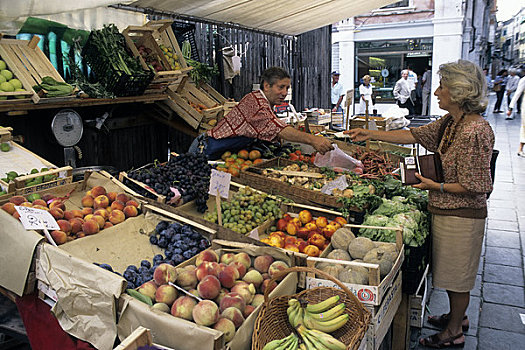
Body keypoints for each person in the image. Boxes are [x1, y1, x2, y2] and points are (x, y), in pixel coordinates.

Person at [345, 59, 494, 349]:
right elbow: (415, 134)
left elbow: (478, 185)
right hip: (445, 210)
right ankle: (456, 317)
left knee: (458, 277)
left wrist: (433, 185)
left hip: (462, 217)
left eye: (442, 87)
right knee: (451, 273)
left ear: (459, 92)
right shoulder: (453, 122)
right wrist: (371, 133)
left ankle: (453, 332)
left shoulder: (474, 131)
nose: (436, 92)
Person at [188, 67, 333, 159]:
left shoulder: (266, 102)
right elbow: (279, 129)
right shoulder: (256, 104)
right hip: (206, 149)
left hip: (225, 153)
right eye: (281, 87)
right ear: (266, 86)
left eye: (287, 88)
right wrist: (313, 140)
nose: (284, 93)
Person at [507, 71, 525, 157]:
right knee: (524, 127)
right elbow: (517, 94)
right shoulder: (523, 80)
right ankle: (520, 148)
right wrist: (510, 108)